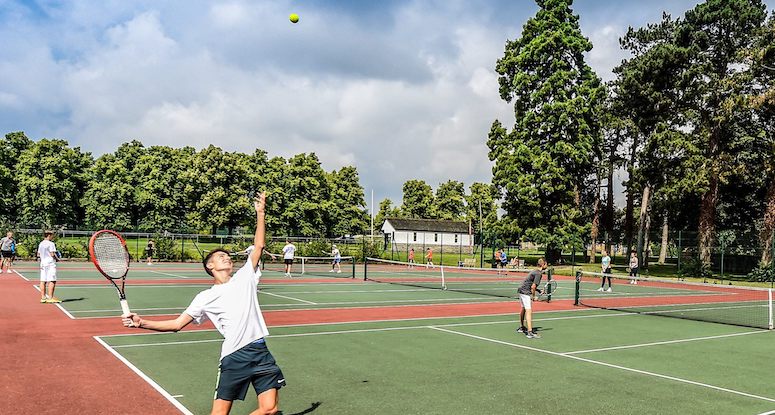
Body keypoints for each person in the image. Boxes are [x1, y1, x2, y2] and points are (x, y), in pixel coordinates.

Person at [122, 192, 285, 415]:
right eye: (220, 257)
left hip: (260, 350)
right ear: (210, 267)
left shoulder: (245, 276)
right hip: (235, 355)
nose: (226, 258)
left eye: (227, 256)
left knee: (269, 409)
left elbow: (258, 245)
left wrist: (261, 213)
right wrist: (142, 322)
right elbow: (177, 324)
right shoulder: (205, 297)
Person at [516, 258, 548, 339]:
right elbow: (533, 286)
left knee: (523, 309)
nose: (547, 266)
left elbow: (531, 284)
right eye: (546, 264)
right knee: (528, 311)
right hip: (525, 292)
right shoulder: (538, 274)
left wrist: (538, 290)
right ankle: (530, 332)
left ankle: (522, 327)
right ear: (543, 264)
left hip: (521, 290)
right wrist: (533, 297)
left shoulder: (534, 271)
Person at [37, 231, 60, 303]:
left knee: (43, 280)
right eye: (52, 235)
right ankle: (50, 297)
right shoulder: (51, 244)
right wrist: (57, 259)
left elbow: (38, 254)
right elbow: (52, 254)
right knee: (52, 280)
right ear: (49, 235)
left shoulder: (41, 243)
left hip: (43, 263)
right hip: (50, 263)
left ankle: (43, 297)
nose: (53, 236)